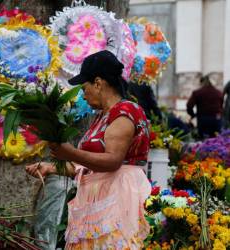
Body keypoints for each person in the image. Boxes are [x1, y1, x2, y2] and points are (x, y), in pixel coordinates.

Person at [26, 50, 151, 249]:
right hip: (99, 193)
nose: (84, 96)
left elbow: (113, 161)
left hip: (119, 193)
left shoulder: (125, 112)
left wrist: (70, 153)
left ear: (98, 83)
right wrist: (51, 167)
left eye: (85, 88)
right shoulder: (103, 115)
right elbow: (87, 165)